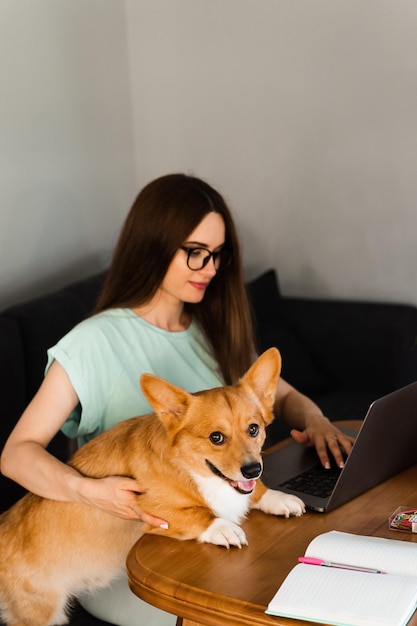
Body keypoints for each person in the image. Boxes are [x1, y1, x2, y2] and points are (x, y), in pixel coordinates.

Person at [1, 173, 354, 626]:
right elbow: (16, 454)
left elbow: (279, 398)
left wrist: (318, 419)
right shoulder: (91, 343)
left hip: (216, 527)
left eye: (218, 255)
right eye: (195, 253)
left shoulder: (213, 329)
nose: (210, 269)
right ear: (153, 246)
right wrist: (90, 490)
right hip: (131, 553)